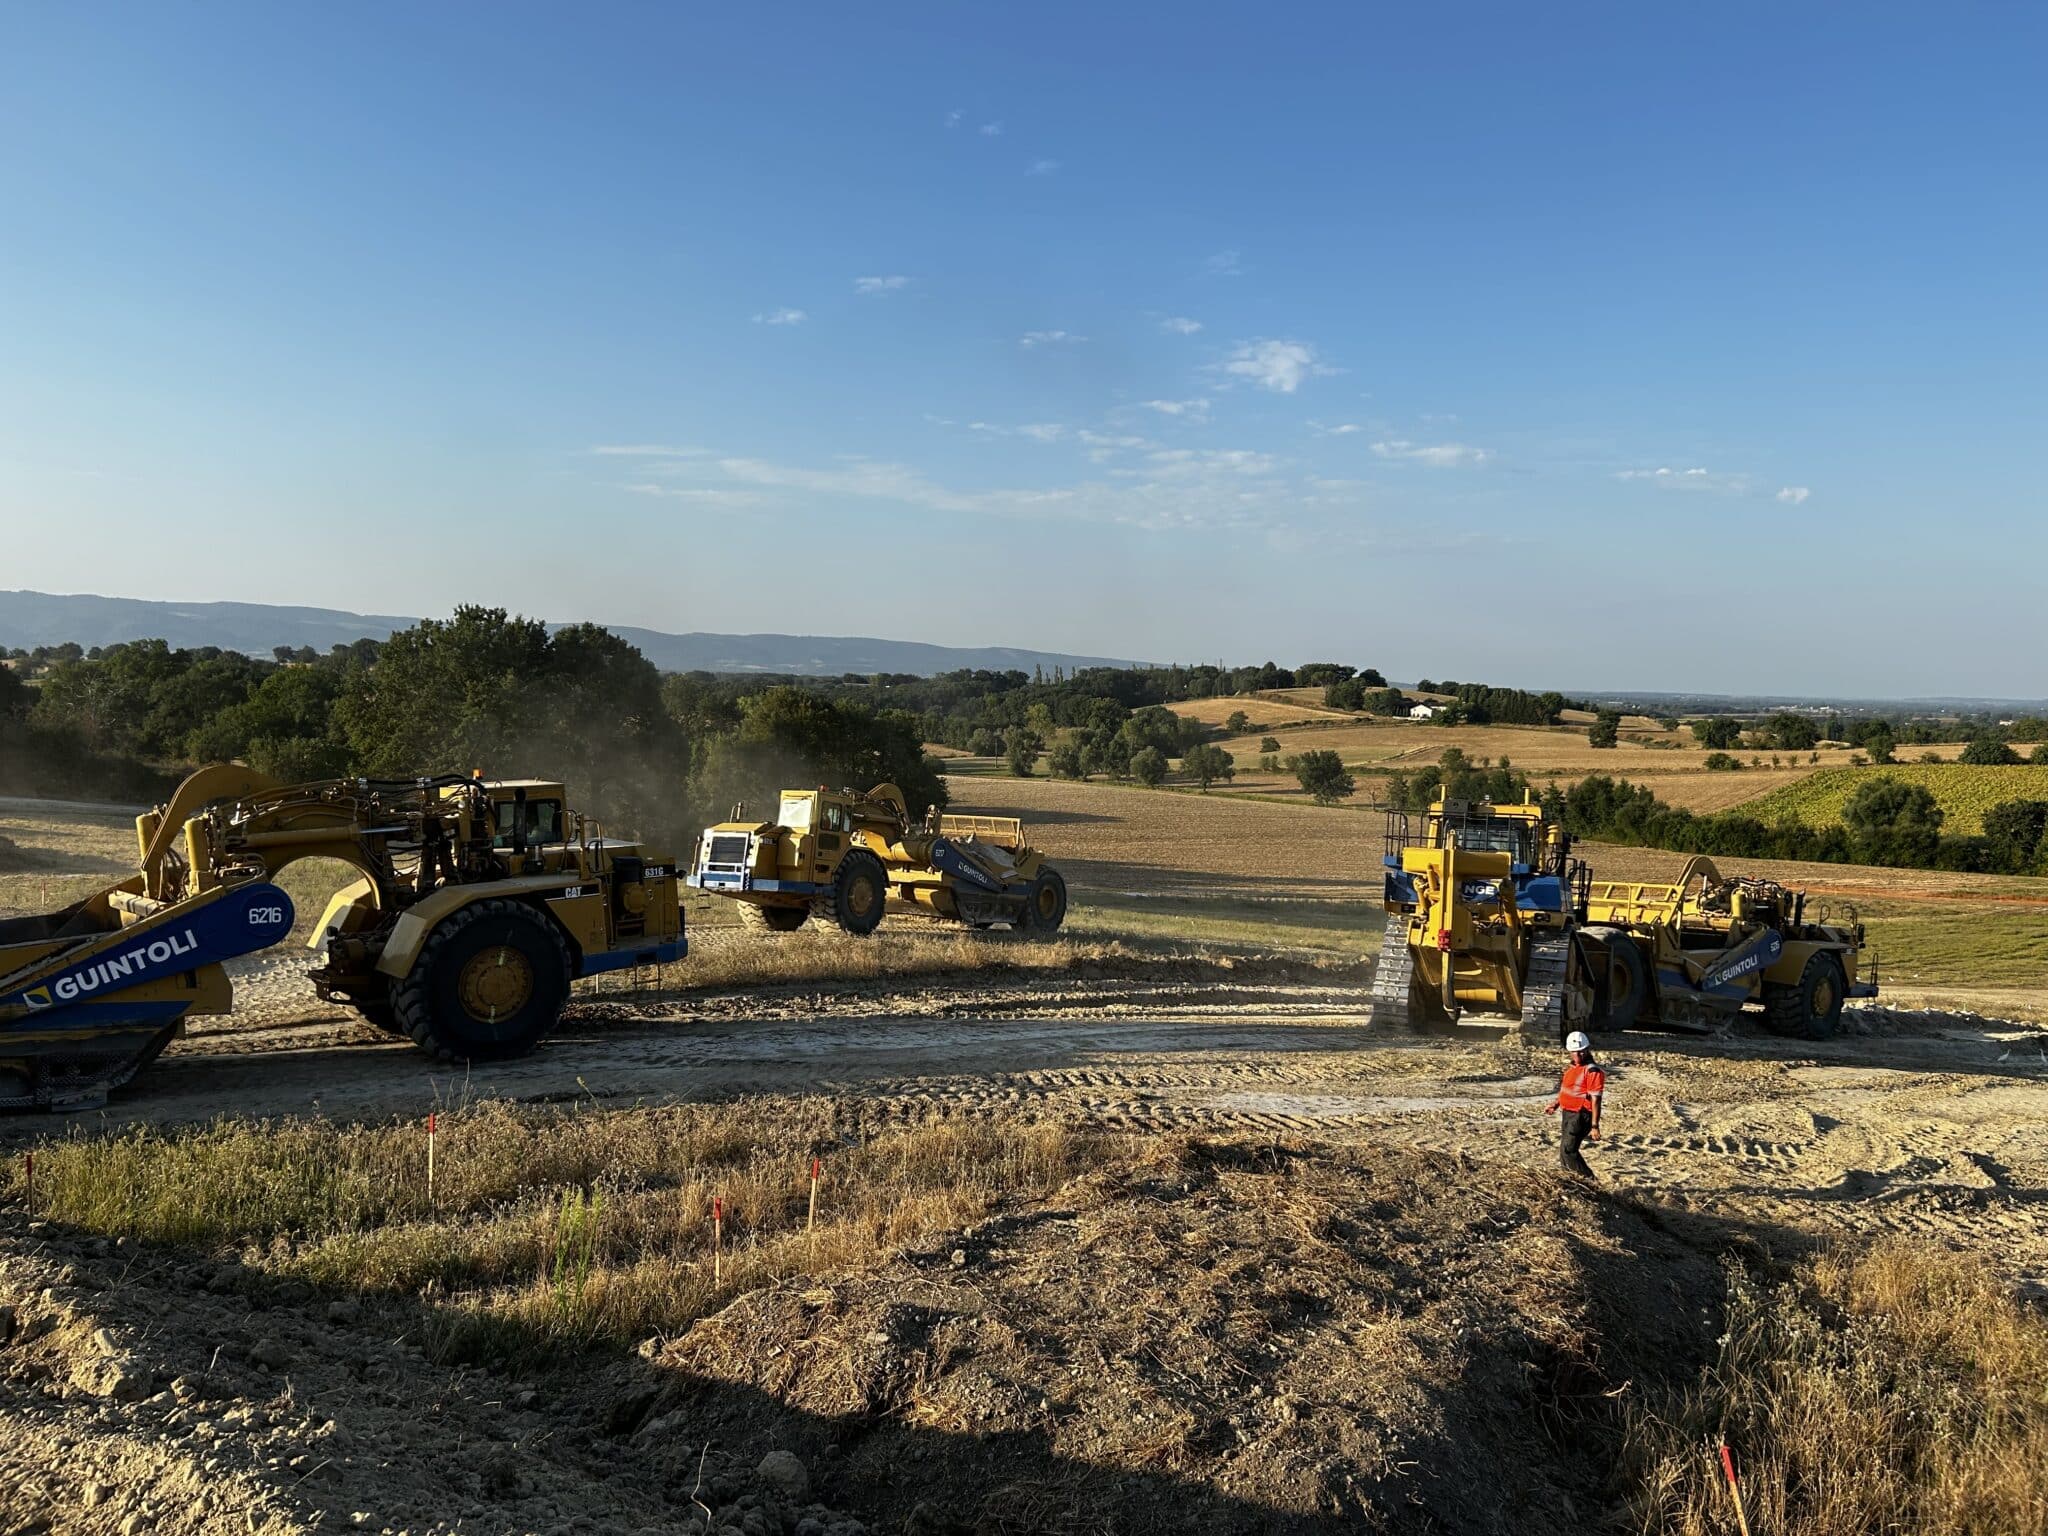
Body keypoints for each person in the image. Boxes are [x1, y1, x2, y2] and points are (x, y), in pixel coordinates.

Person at [1544, 1030, 1605, 1178]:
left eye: (1581, 1052)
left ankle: (1590, 1182)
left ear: (1587, 1050)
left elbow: (1596, 1100)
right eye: (1574, 1052)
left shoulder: (1592, 1071)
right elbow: (1567, 1090)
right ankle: (1571, 1179)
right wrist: (1556, 1104)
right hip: (1568, 1113)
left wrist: (1594, 1126)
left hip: (1581, 1115)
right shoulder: (1573, 1069)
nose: (1578, 1056)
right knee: (1564, 1152)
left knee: (1569, 1151)